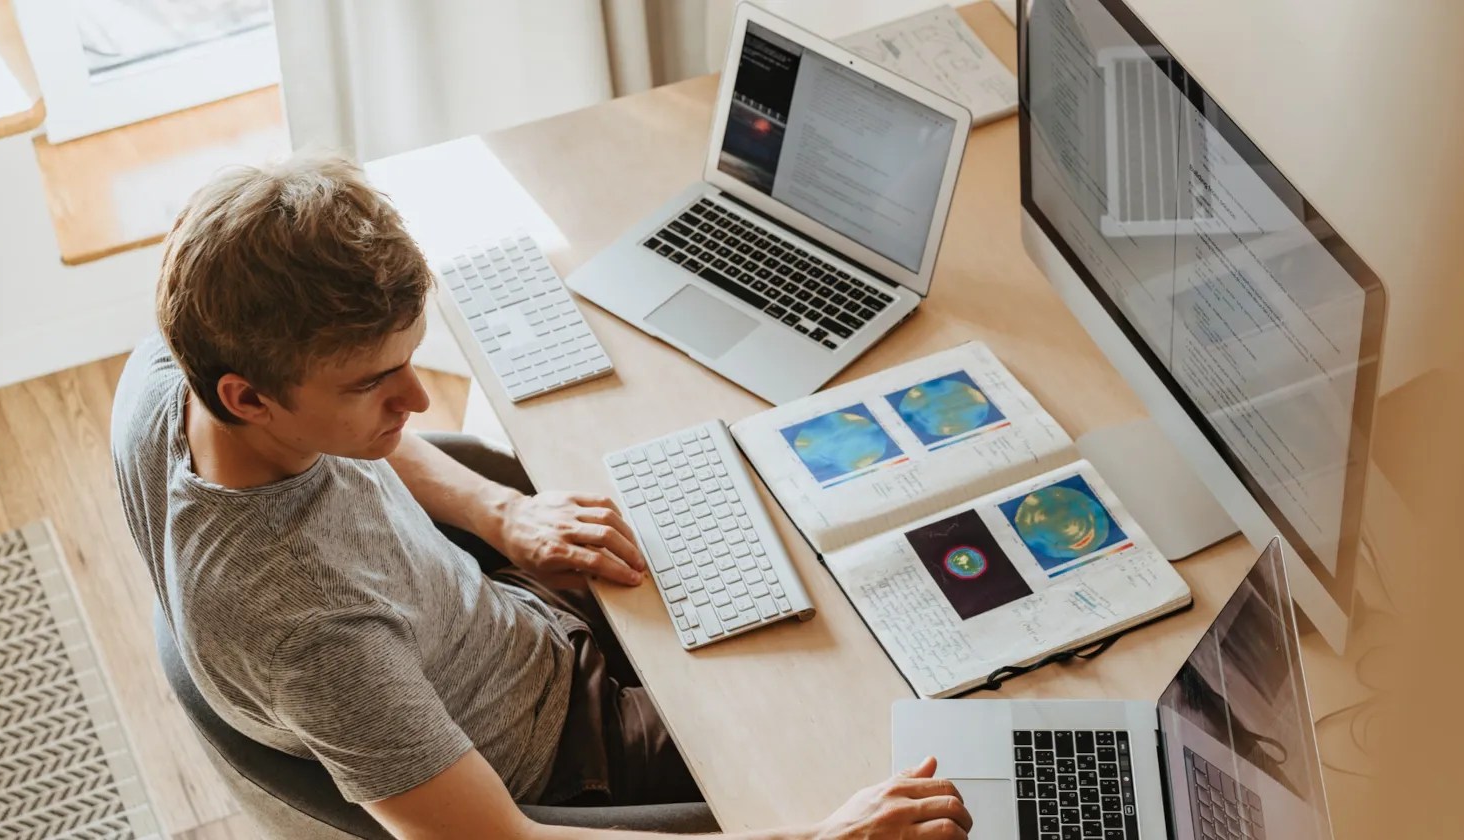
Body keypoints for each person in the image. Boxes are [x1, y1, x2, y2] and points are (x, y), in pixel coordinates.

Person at [110, 152, 971, 840]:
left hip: (507, 621)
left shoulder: (173, 365)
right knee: (890, 739)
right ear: (246, 397)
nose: (413, 405)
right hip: (567, 750)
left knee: (814, 560)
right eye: (374, 384)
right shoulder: (312, 634)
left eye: (412, 360)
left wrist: (503, 514)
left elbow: (217, 240)